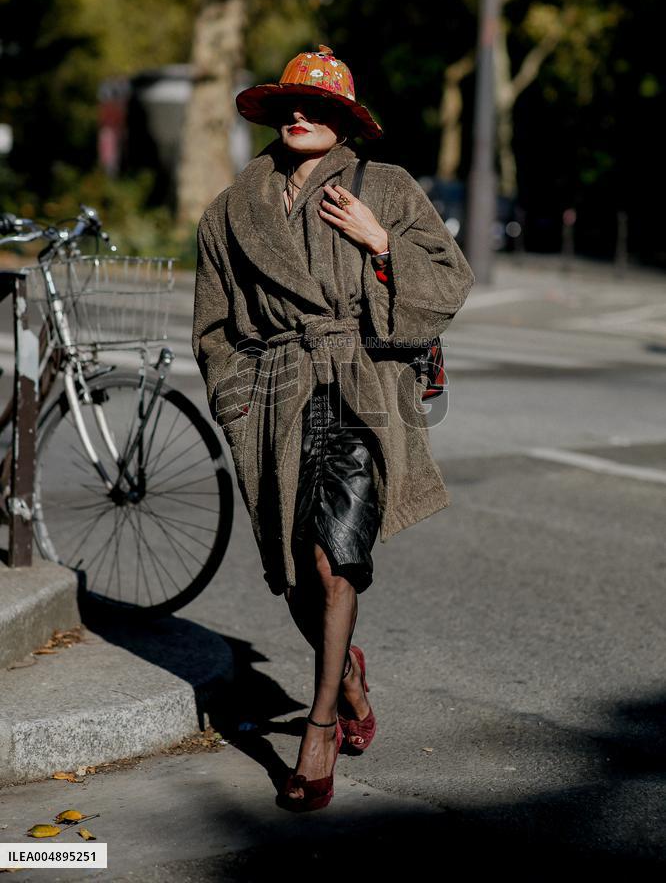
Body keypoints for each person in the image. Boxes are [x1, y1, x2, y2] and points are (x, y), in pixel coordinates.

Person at [191, 43, 475, 812]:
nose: (299, 114)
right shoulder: (230, 210)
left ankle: (318, 732)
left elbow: (449, 279)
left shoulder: (384, 187)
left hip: (359, 383)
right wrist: (235, 399)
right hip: (273, 398)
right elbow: (213, 328)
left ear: (344, 121)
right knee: (293, 572)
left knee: (333, 558)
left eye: (317, 106)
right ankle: (346, 675)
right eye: (290, 102)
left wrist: (381, 242)